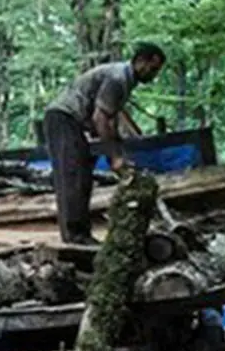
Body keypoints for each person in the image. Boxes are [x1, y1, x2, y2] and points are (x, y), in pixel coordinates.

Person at [42, 43, 167, 245]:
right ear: (140, 61)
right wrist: (114, 157)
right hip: (62, 118)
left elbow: (110, 118)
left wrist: (119, 147)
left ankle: (80, 233)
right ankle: (75, 236)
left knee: (83, 177)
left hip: (74, 122)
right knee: (72, 176)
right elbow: (101, 119)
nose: (153, 75)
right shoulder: (118, 78)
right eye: (152, 69)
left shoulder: (125, 80)